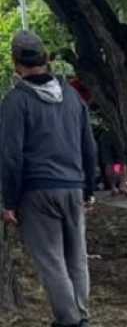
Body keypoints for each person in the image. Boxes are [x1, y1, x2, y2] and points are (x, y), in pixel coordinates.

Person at [0, 30, 96, 327]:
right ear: (46, 59)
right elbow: (88, 146)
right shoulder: (72, 97)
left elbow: (10, 155)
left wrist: (9, 201)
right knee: (76, 259)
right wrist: (89, 190)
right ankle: (80, 315)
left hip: (36, 192)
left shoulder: (16, 101)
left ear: (17, 64)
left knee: (51, 261)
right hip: (73, 187)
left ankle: (70, 321)